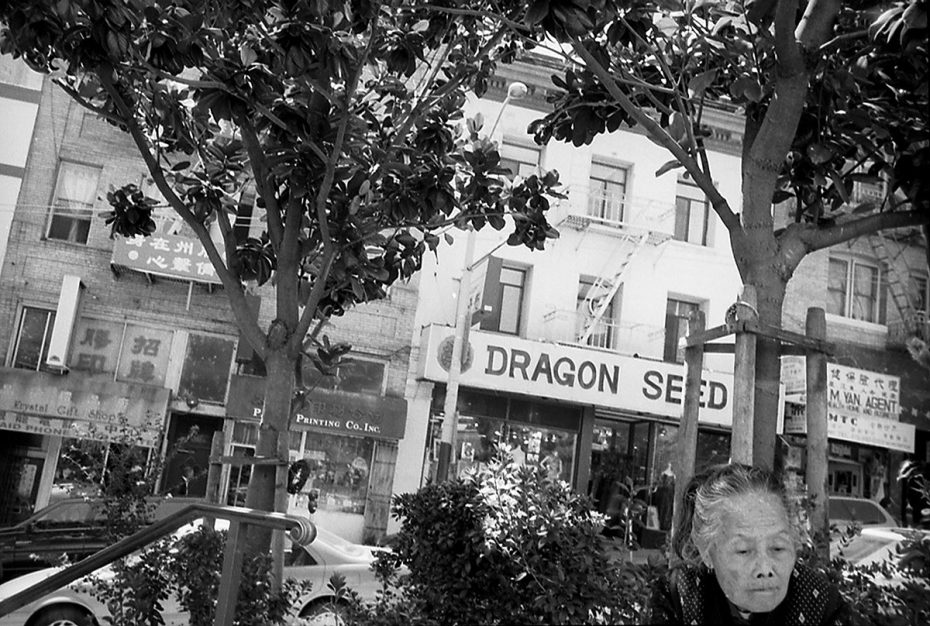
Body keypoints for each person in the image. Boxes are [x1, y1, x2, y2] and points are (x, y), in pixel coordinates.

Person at [643, 463, 851, 625]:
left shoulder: (822, 604)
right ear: (706, 551)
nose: (765, 569)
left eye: (778, 548)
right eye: (743, 551)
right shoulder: (677, 597)